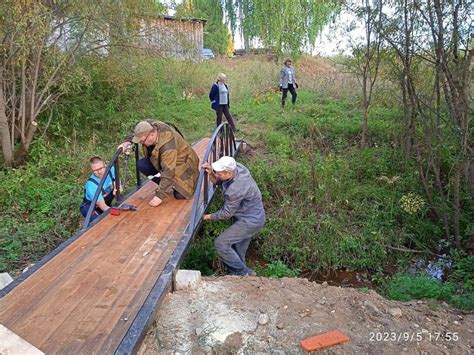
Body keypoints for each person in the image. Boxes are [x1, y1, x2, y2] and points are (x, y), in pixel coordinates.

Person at [202, 156, 265, 276]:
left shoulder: (236, 189)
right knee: (238, 250)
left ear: (229, 172)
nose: (218, 175)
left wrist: (207, 217)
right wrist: (211, 173)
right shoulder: (238, 167)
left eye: (220, 173)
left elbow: (226, 214)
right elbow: (219, 181)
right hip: (252, 215)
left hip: (250, 221)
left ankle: (243, 273)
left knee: (221, 243)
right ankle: (239, 277)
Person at [118, 120, 199, 207]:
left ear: (151, 135)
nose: (141, 144)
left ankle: (169, 186)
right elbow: (139, 128)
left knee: (180, 195)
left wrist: (159, 196)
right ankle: (167, 185)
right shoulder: (152, 125)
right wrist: (127, 141)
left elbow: (169, 171)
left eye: (142, 141)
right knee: (142, 165)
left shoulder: (168, 147)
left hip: (183, 166)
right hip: (166, 162)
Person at [80, 156, 116, 221]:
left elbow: (119, 188)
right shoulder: (91, 185)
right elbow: (103, 207)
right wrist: (118, 212)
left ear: (105, 165)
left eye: (101, 168)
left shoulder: (112, 170)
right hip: (91, 207)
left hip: (104, 203)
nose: (99, 172)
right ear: (92, 170)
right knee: (101, 223)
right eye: (96, 170)